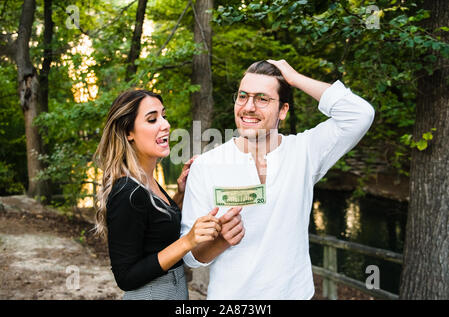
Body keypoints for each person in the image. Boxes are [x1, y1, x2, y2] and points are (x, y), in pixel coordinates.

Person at [180, 59, 375, 299]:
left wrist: (293, 77)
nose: (248, 107)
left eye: (262, 99)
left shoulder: (304, 152)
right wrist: (219, 241)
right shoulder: (205, 165)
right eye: (243, 96)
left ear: (283, 110)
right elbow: (191, 256)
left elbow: (360, 114)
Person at [93, 89, 221, 300]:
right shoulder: (127, 192)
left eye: (164, 116)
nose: (165, 124)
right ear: (128, 133)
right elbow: (125, 277)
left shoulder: (147, 183)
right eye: (152, 119)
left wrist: (180, 194)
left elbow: (157, 233)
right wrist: (188, 241)